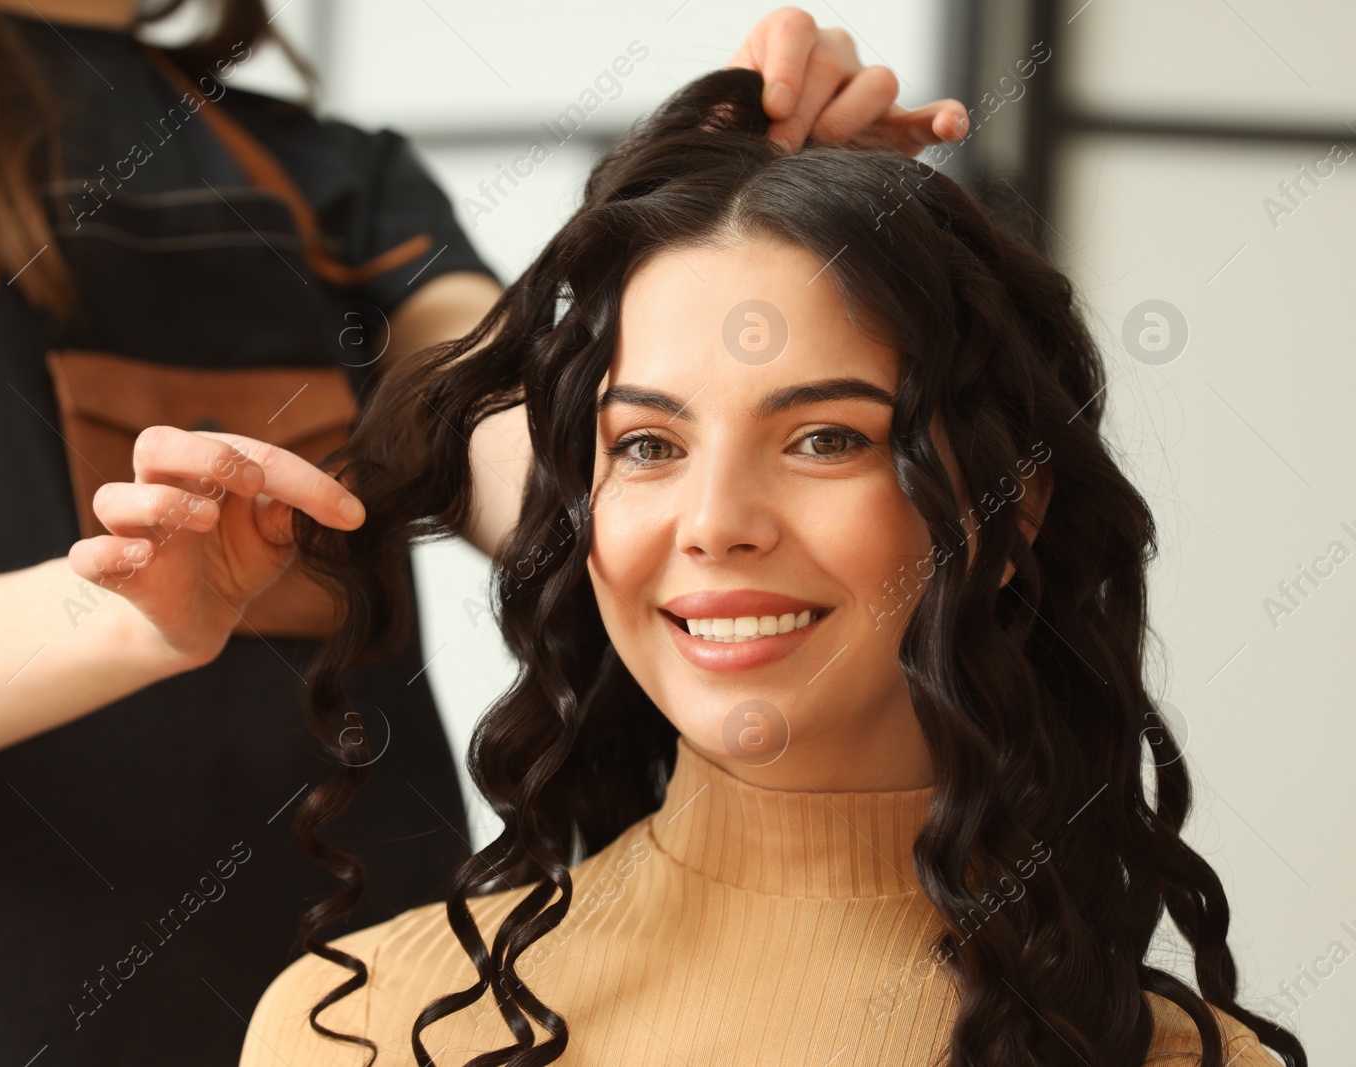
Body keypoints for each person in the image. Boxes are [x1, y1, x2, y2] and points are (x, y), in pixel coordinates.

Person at [0, 0, 965, 1062]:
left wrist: (770, 243)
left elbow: (547, 485)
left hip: (375, 1004)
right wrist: (123, 616)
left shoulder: (336, 176)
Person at [236, 68, 1310, 1066]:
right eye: (647, 446)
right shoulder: (362, 1024)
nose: (714, 522)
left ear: (1008, 507)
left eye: (824, 438)